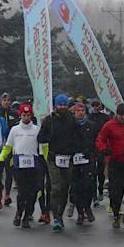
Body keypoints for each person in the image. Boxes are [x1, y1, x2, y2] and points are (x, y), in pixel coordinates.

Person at [37, 93, 83, 232]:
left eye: (64, 105)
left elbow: (79, 136)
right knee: (56, 187)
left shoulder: (71, 119)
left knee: (65, 188)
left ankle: (59, 215)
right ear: (55, 105)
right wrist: (49, 136)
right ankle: (56, 216)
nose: (62, 107)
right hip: (53, 158)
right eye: (59, 105)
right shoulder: (49, 120)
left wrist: (77, 149)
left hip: (68, 158)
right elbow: (40, 138)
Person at [0, 103, 42, 228]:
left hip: (33, 165)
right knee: (22, 192)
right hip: (19, 164)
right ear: (20, 115)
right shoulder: (15, 130)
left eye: (28, 115)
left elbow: (42, 148)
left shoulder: (36, 129)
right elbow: (8, 145)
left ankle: (28, 215)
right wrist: (2, 157)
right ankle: (19, 212)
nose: (26, 117)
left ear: (31, 115)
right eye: (24, 115)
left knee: (32, 193)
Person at [72, 103, 98, 225]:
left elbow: (96, 141)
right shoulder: (71, 126)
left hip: (88, 159)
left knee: (89, 185)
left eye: (83, 110)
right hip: (75, 160)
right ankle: (80, 212)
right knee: (77, 187)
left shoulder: (91, 126)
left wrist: (92, 151)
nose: (81, 112)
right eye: (78, 110)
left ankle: (87, 207)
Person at [0, 92, 20, 206]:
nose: (6, 102)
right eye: (4, 100)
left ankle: (7, 195)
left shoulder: (14, 113)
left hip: (11, 146)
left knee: (9, 171)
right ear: (1, 101)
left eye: (8, 100)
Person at [88, 98, 110, 204]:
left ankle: (100, 189)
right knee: (92, 172)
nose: (95, 107)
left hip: (101, 146)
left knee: (101, 171)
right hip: (91, 147)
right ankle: (93, 195)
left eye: (97, 105)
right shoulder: (89, 117)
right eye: (93, 105)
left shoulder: (105, 118)